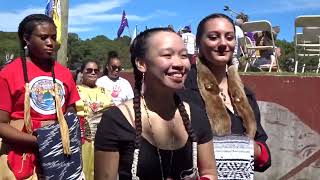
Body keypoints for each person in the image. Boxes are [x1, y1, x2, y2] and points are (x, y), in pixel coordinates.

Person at [94, 27, 217, 180]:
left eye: (184, 55)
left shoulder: (197, 115)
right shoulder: (115, 120)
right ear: (141, 63)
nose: (179, 63)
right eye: (167, 55)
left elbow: (209, 173)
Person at [179, 13, 271, 178]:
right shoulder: (184, 89)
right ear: (199, 43)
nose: (223, 43)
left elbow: (263, 152)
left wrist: (255, 150)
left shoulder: (246, 94)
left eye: (229, 37)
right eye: (214, 37)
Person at [0, 14, 80, 179]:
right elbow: (1, 124)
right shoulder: (8, 74)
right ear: (26, 39)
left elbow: (71, 115)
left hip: (60, 156)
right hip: (20, 157)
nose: (50, 43)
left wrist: (63, 139)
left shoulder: (64, 73)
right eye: (43, 37)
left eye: (53, 37)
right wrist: (41, 141)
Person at [75, 61, 113, 180]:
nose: (93, 73)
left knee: (102, 170)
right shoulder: (75, 90)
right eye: (89, 70)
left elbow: (112, 113)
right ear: (82, 72)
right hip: (83, 139)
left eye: (96, 71)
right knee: (83, 171)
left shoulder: (105, 91)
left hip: (103, 139)